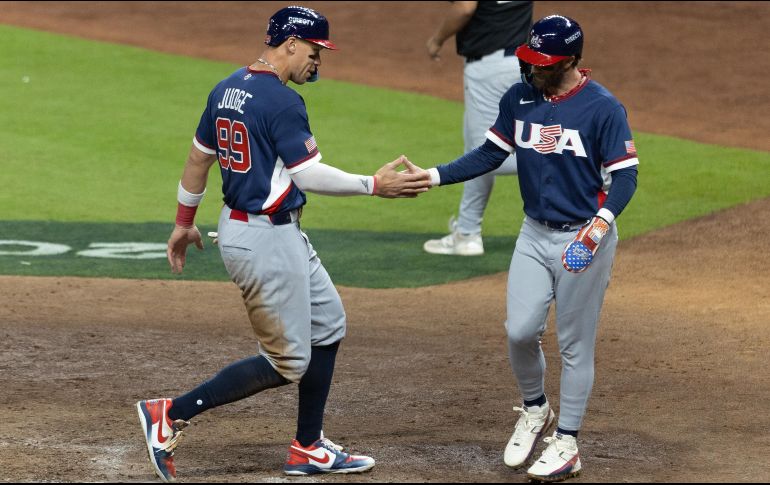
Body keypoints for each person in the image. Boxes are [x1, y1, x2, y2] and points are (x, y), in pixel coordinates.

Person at [134, 6, 430, 482]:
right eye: (315, 52)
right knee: (288, 361)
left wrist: (184, 221)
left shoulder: (226, 88)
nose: (319, 62)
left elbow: (197, 157)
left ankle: (308, 448)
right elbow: (306, 172)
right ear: (290, 43)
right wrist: (374, 185)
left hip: (262, 230)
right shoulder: (282, 100)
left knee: (328, 322)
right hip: (262, 238)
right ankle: (171, 413)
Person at [416, 15, 639, 481]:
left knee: (575, 346)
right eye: (531, 61)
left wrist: (597, 229)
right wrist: (432, 176)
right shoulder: (519, 98)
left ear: (572, 61)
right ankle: (535, 409)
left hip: (584, 237)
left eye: (544, 65)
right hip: (534, 235)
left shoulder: (603, 108)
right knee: (519, 330)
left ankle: (569, 442)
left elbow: (626, 176)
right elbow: (489, 153)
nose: (533, 71)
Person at [423, 0, 532, 256]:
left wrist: (437, 39)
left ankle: (569, 157)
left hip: (488, 67)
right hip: (522, 61)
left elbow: (465, 7)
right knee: (477, 147)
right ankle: (468, 232)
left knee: (487, 153)